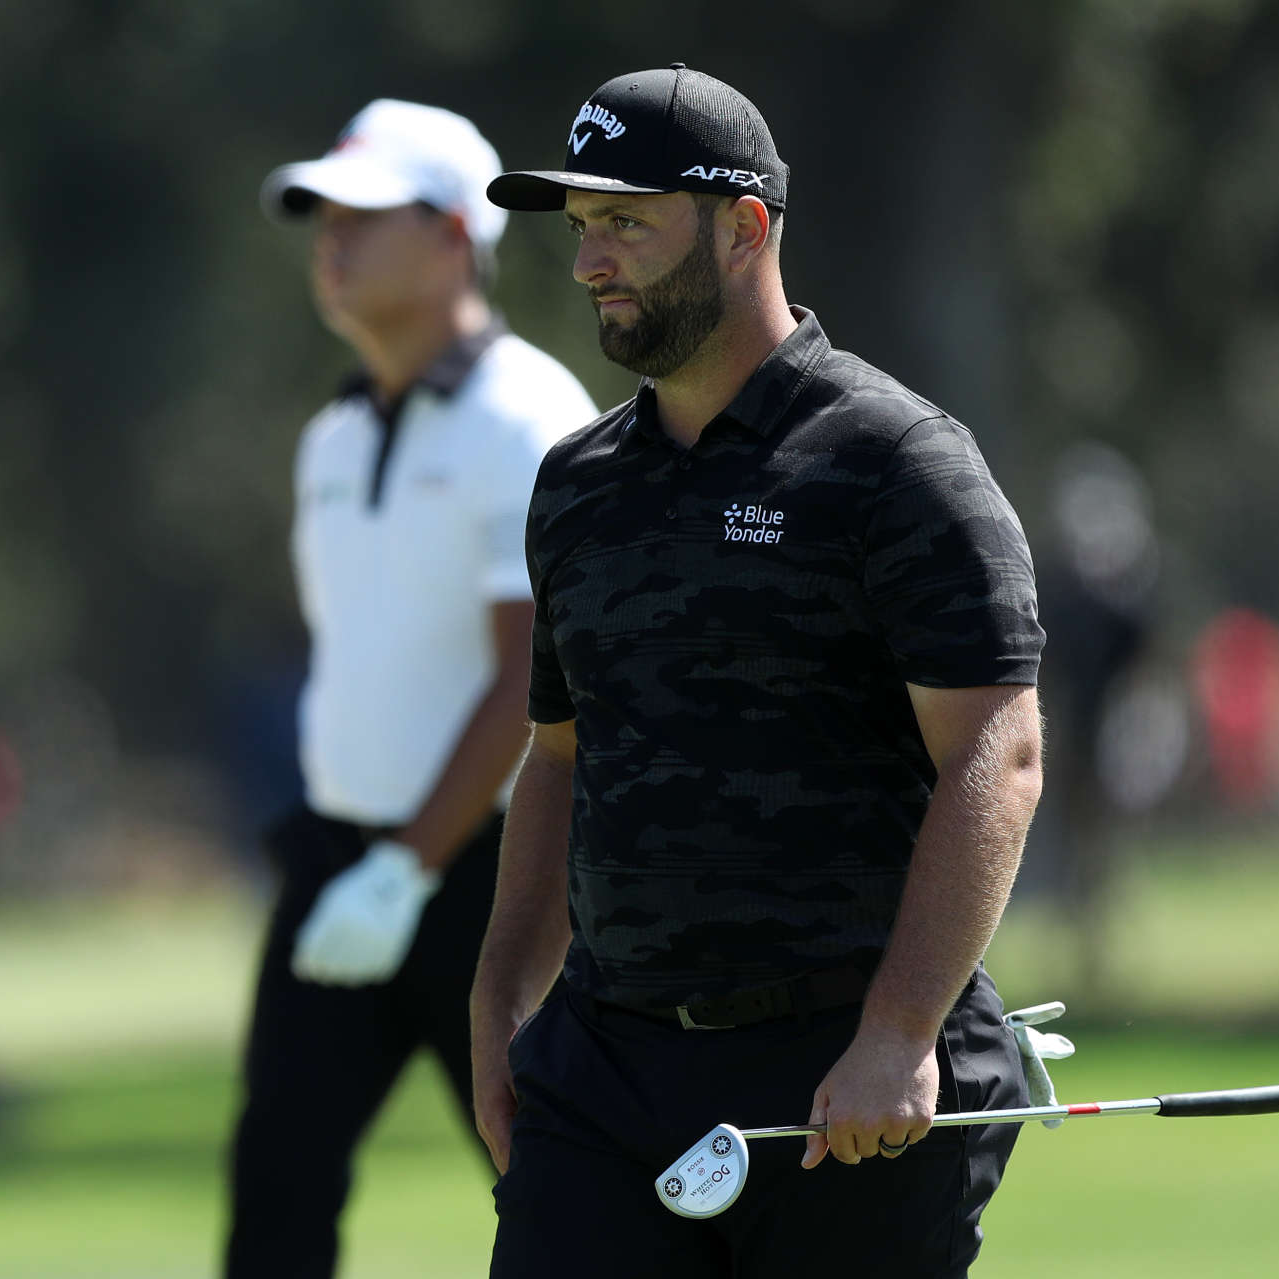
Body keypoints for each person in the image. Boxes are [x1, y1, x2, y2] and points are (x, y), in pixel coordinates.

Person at [468, 65, 1046, 1278]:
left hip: (842, 1079)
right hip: (607, 1074)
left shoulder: (898, 462)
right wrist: (498, 1006)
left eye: (625, 221)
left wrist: (900, 1030)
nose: (589, 263)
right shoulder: (577, 486)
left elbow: (1000, 754)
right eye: (580, 229)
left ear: (745, 227)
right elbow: (562, 754)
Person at [225, 99, 596, 1279]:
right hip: (340, 862)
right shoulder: (331, 435)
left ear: (451, 234)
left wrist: (408, 865)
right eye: (322, 216)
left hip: (495, 875)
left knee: (554, 1181)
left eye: (365, 216)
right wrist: (367, 861)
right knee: (275, 1188)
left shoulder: (524, 417)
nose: (331, 241)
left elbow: (530, 681)